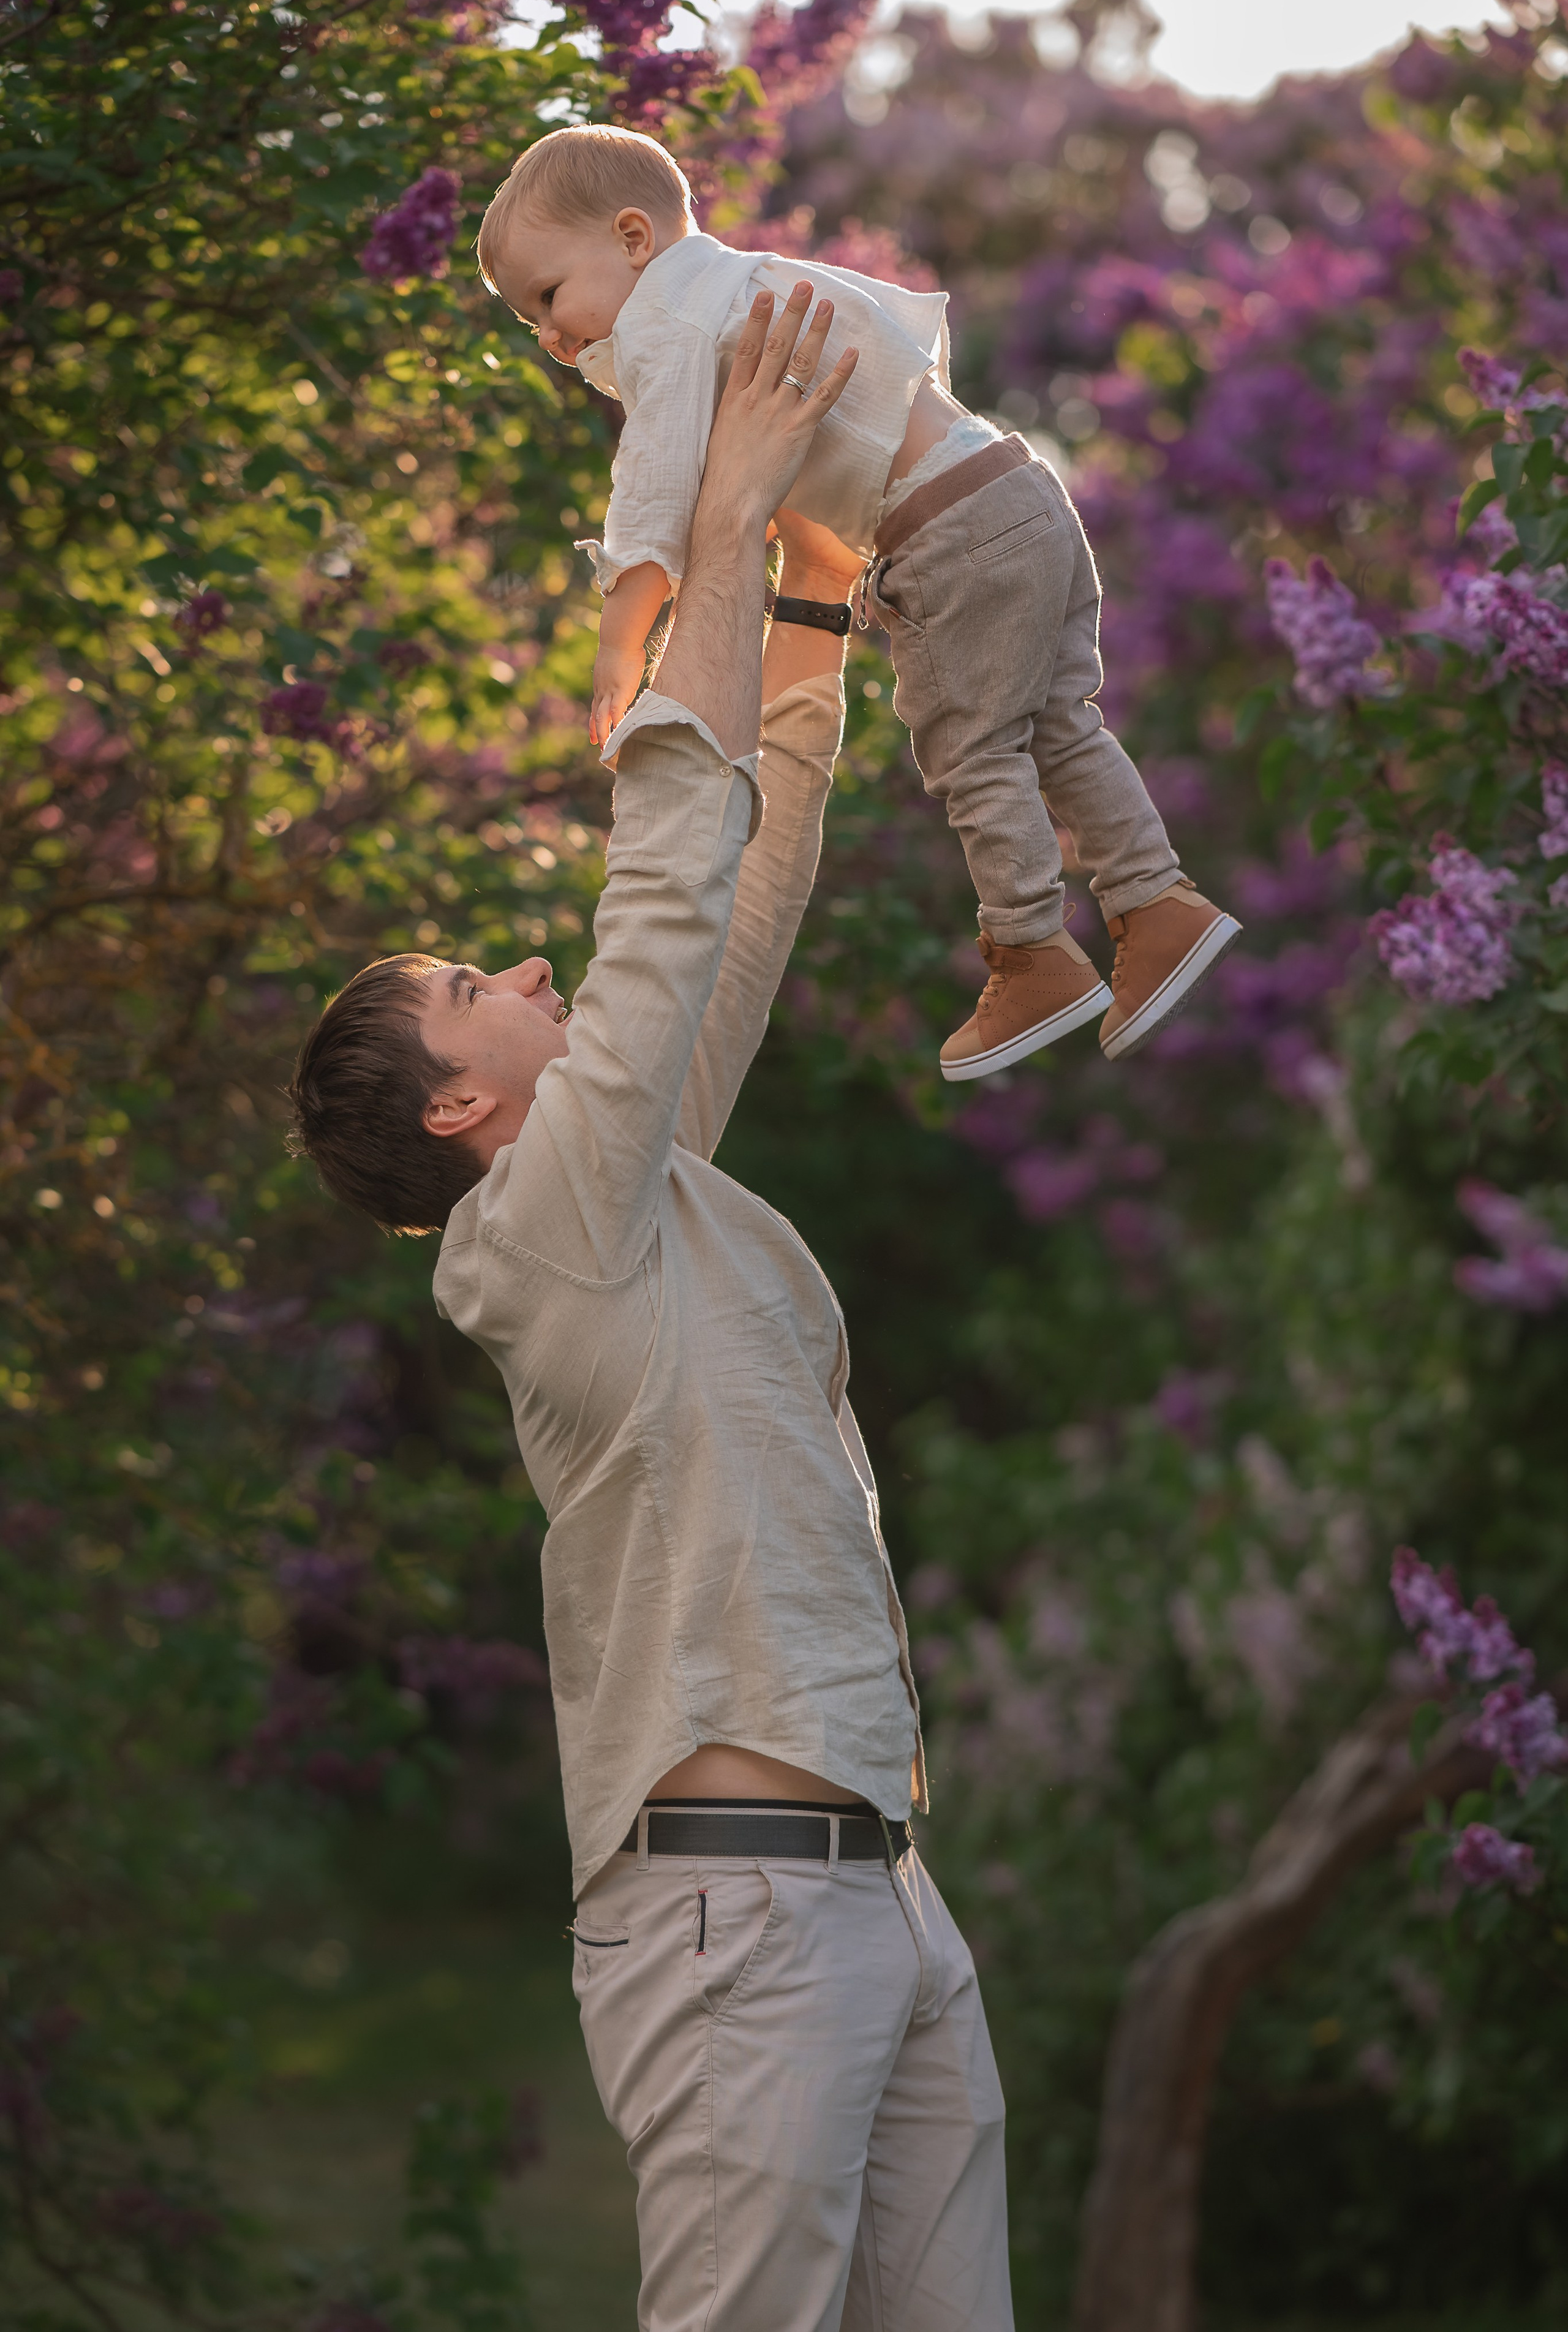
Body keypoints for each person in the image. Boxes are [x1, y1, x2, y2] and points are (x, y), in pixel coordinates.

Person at [288, 285, 1014, 2332]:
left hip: (882, 1895)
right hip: (738, 1919)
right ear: (463, 1103)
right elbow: (665, 876)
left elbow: (746, 886)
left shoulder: (632, 1174)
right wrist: (719, 526)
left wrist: (803, 600)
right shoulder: (538, 1236)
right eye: (475, 983)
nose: (527, 967)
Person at [475, 121, 1242, 1081]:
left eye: (549, 295)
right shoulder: (747, 276)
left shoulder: (662, 321)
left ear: (634, 238)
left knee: (970, 746)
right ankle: (1157, 902)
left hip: (946, 534)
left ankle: (1031, 948)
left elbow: (656, 488)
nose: (549, 334)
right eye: (527, 322)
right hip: (1014, 485)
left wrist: (623, 637)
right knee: (1058, 722)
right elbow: (906, 334)